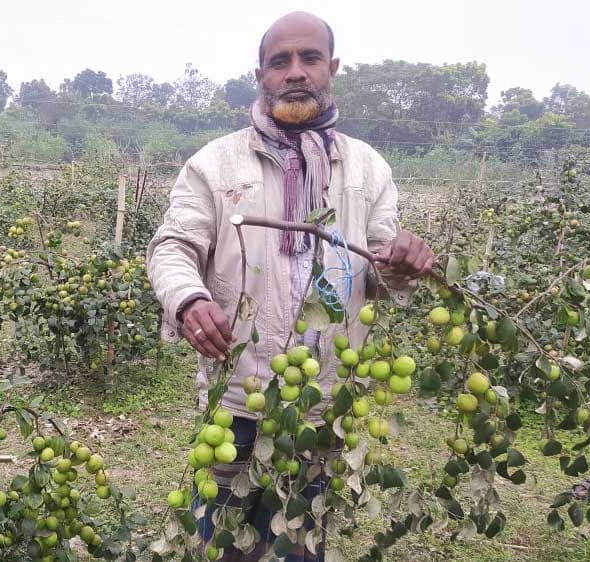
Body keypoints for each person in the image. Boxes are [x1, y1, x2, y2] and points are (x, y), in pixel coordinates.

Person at [146, 12, 434, 561]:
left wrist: (403, 261)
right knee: (222, 539)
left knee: (299, 543)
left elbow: (378, 272)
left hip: (321, 406)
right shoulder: (216, 164)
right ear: (261, 75)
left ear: (333, 68)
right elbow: (171, 249)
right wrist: (188, 298)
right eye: (281, 61)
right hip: (237, 400)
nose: (295, 72)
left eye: (310, 58)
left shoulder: (367, 170)